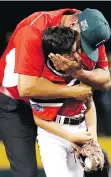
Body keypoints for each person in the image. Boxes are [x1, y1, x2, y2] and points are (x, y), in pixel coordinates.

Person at [0, 7, 110, 177]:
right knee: (26, 173)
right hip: (15, 103)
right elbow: (26, 88)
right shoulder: (33, 31)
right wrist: (73, 91)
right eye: (82, 45)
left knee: (100, 163)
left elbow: (106, 82)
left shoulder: (89, 30)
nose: (82, 53)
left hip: (54, 104)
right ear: (73, 24)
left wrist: (79, 73)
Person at [31, 24, 110, 177]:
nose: (77, 56)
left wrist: (92, 137)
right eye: (71, 53)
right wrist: (71, 137)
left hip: (79, 127)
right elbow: (40, 120)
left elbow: (89, 104)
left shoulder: (79, 70)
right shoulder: (42, 80)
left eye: (76, 49)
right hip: (53, 134)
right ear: (55, 56)